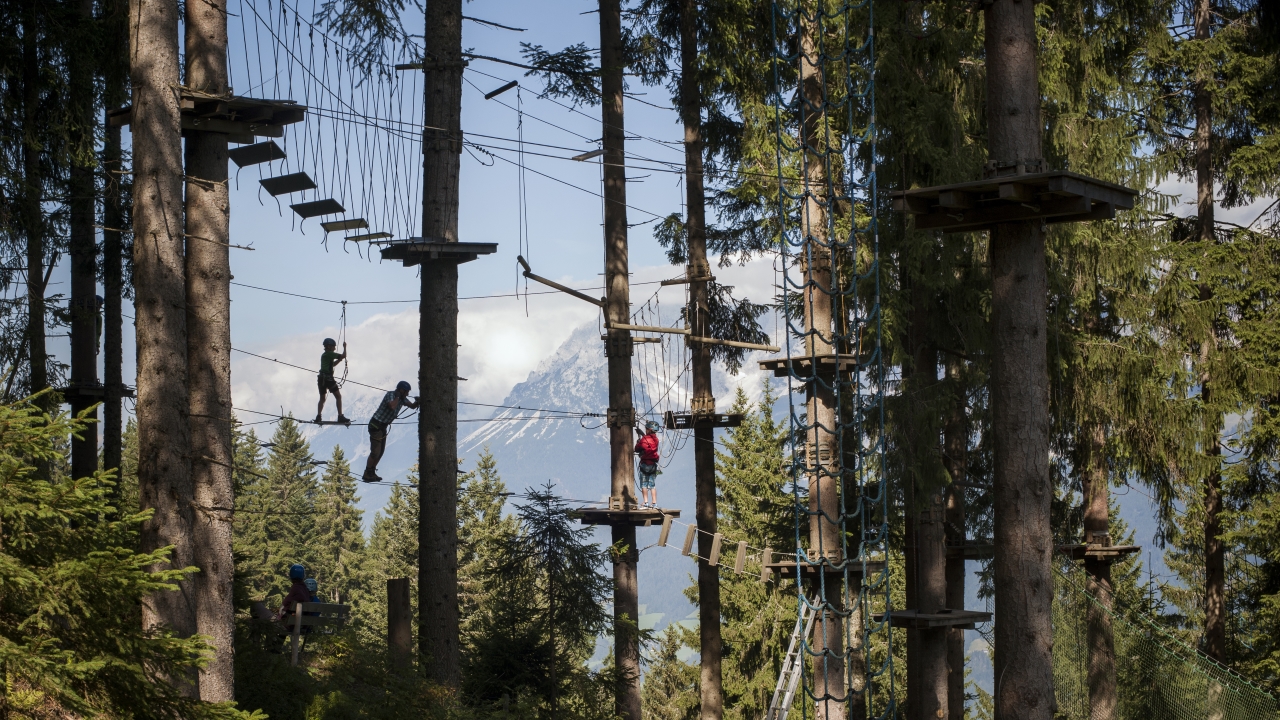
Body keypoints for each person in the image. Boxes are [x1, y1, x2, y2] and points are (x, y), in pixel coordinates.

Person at [362, 380, 419, 483]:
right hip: (376, 425)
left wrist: (418, 402)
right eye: (406, 391)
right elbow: (392, 406)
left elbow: (412, 406)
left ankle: (372, 472)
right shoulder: (391, 395)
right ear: (401, 390)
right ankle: (367, 473)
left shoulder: (402, 398)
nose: (408, 394)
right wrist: (398, 397)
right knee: (375, 452)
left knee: (381, 452)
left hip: (383, 426)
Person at [315, 338, 350, 424]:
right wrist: (345, 347)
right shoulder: (330, 354)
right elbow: (344, 355)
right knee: (338, 396)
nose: (334, 348)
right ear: (329, 346)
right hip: (328, 379)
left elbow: (332, 364)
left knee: (322, 398)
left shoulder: (325, 355)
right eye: (333, 346)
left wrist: (339, 360)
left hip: (321, 379)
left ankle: (318, 416)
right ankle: (340, 416)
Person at [634, 420, 661, 508]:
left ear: (649, 429)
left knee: (644, 484)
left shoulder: (644, 439)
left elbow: (637, 448)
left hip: (645, 463)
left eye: (646, 429)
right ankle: (654, 503)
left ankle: (645, 502)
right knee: (652, 485)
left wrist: (639, 442)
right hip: (653, 464)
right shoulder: (656, 440)